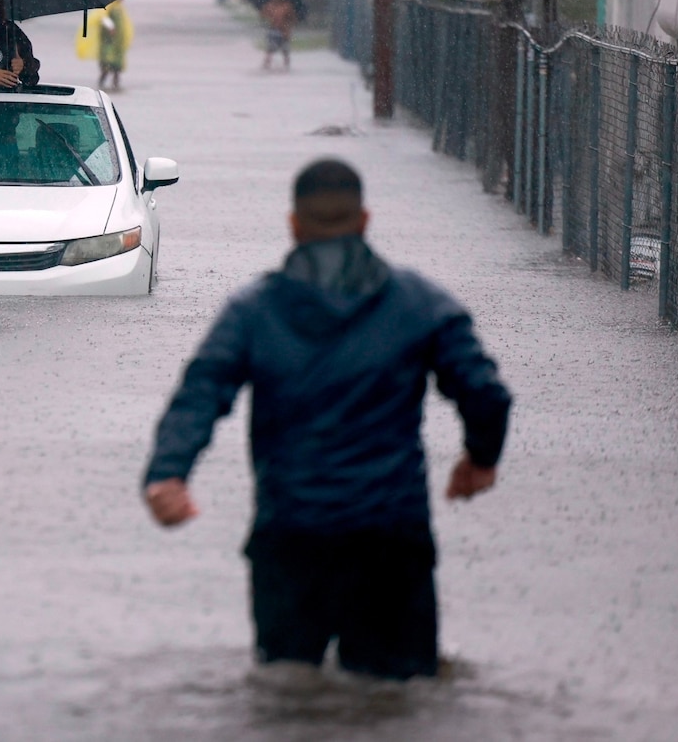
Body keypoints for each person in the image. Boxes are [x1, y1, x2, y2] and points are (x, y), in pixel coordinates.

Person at [140, 158, 512, 681]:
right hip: (391, 537)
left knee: (287, 696)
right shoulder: (420, 304)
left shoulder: (252, 311)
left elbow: (201, 391)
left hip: (291, 535)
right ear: (365, 220)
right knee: (398, 699)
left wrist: (168, 473)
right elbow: (485, 391)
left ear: (293, 225)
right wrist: (480, 457)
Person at [96, 0, 132, 91]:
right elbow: (102, 18)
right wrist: (110, 27)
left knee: (116, 68)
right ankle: (101, 86)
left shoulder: (119, 8)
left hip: (118, 44)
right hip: (109, 43)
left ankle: (114, 85)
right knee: (106, 66)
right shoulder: (110, 7)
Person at [260, 0, 298, 71]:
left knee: (285, 48)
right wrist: (266, 11)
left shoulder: (287, 6)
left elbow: (292, 18)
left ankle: (286, 63)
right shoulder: (270, 5)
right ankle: (267, 62)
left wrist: (287, 24)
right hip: (273, 29)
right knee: (271, 47)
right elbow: (264, 15)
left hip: (284, 30)